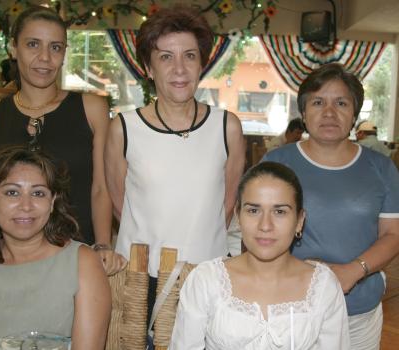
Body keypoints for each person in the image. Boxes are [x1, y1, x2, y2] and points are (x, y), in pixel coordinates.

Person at [105, 5, 245, 311]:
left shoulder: (227, 127)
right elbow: (119, 202)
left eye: (189, 56)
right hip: (141, 279)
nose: (179, 69)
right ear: (149, 67)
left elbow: (227, 203)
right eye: (166, 57)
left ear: (201, 65)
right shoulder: (124, 128)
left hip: (206, 277)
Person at [0, 6, 126, 275]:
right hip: (7, 258)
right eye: (33, 44)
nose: (44, 58)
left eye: (55, 47)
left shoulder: (91, 108)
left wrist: (102, 245)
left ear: (64, 53)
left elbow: (101, 187)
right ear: (13, 48)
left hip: (76, 256)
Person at [263, 63, 399, 350]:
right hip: (289, 307)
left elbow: (393, 235)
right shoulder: (276, 164)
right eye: (317, 102)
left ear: (354, 114)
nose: (329, 112)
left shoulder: (381, 168)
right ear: (303, 112)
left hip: (358, 311)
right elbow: (256, 234)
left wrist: (353, 271)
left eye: (341, 102)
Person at [170, 162, 350, 349]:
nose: (265, 225)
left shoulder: (323, 286)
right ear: (238, 217)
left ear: (299, 221)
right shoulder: (206, 280)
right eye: (253, 210)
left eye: (279, 212)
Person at [0, 146, 111, 349]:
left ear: (52, 202)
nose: (26, 205)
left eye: (38, 193)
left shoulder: (81, 262)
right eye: (12, 192)